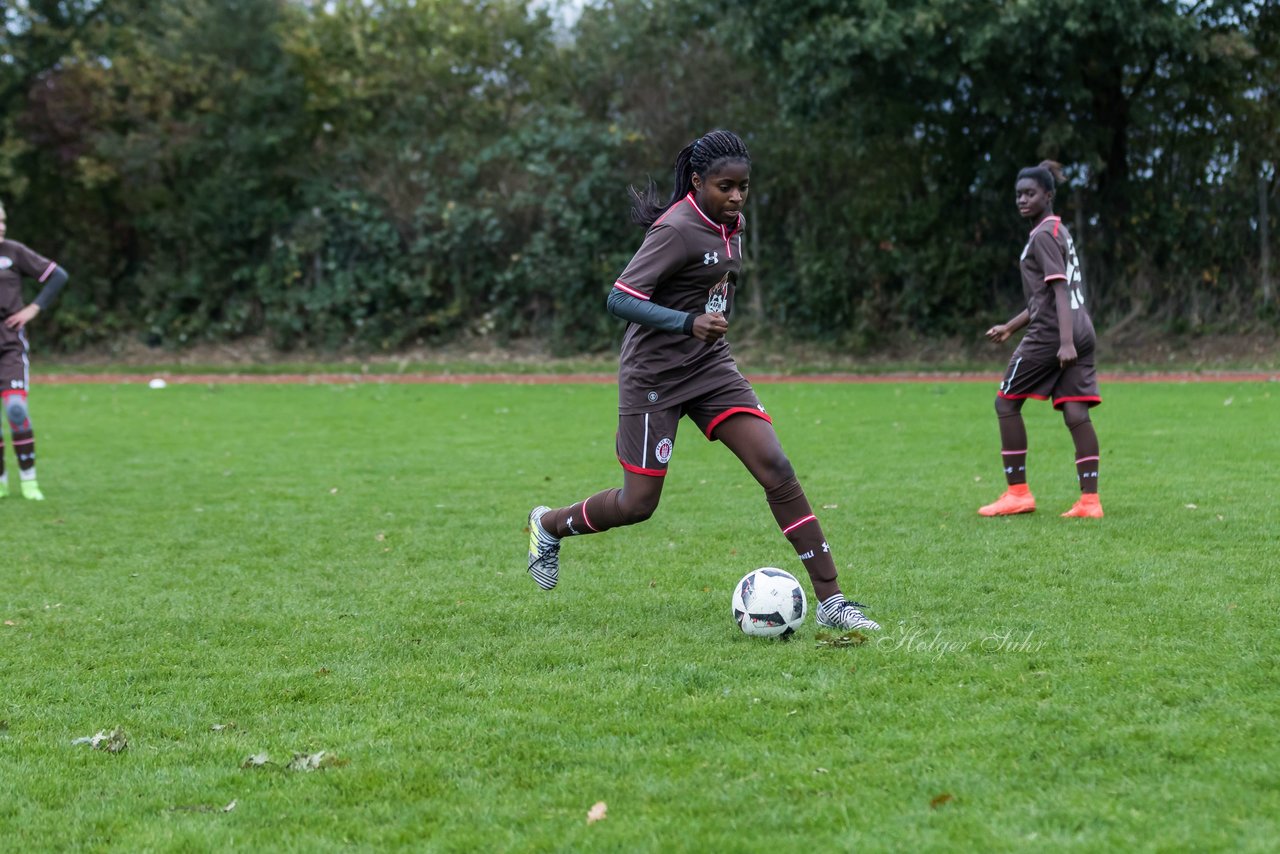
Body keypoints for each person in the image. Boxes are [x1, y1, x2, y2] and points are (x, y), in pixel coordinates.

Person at [525, 130, 880, 631]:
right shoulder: (676, 229)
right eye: (725, 187)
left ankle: (832, 601)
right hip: (654, 375)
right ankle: (549, 525)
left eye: (744, 187)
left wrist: (704, 326)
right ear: (697, 182)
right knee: (638, 503)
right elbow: (619, 299)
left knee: (776, 467)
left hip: (711, 368)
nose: (736, 197)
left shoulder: (732, 222)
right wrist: (686, 322)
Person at [979, 160, 1102, 519]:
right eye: (1018, 194)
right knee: (1076, 410)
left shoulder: (1043, 235)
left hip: (1054, 333)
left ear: (1048, 195)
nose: (1022, 200)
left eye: (1030, 193)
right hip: (1081, 327)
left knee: (1006, 403)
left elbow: (1058, 289)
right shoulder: (1057, 231)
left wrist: (1064, 342)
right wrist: (1010, 326)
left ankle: (1017, 493)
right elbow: (1043, 298)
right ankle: (1090, 502)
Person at [0, 200, 70, 501]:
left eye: (2, 221)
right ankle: (1, 482)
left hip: (10, 344)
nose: (1, 227)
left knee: (16, 409)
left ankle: (29, 481)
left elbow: (59, 275)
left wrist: (33, 308)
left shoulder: (14, 252)